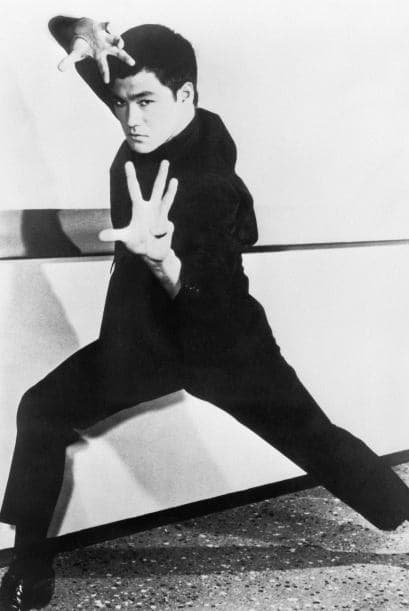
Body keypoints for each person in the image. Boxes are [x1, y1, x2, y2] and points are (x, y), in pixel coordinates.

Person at [1, 16, 409, 610]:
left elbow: (209, 302)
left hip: (221, 341)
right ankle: (30, 565)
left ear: (185, 94)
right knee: (42, 409)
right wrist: (79, 33)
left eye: (144, 102)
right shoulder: (171, 114)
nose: (130, 119)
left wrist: (163, 260)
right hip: (143, 341)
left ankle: (402, 511)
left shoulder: (210, 185)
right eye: (120, 103)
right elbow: (84, 48)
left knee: (314, 439)